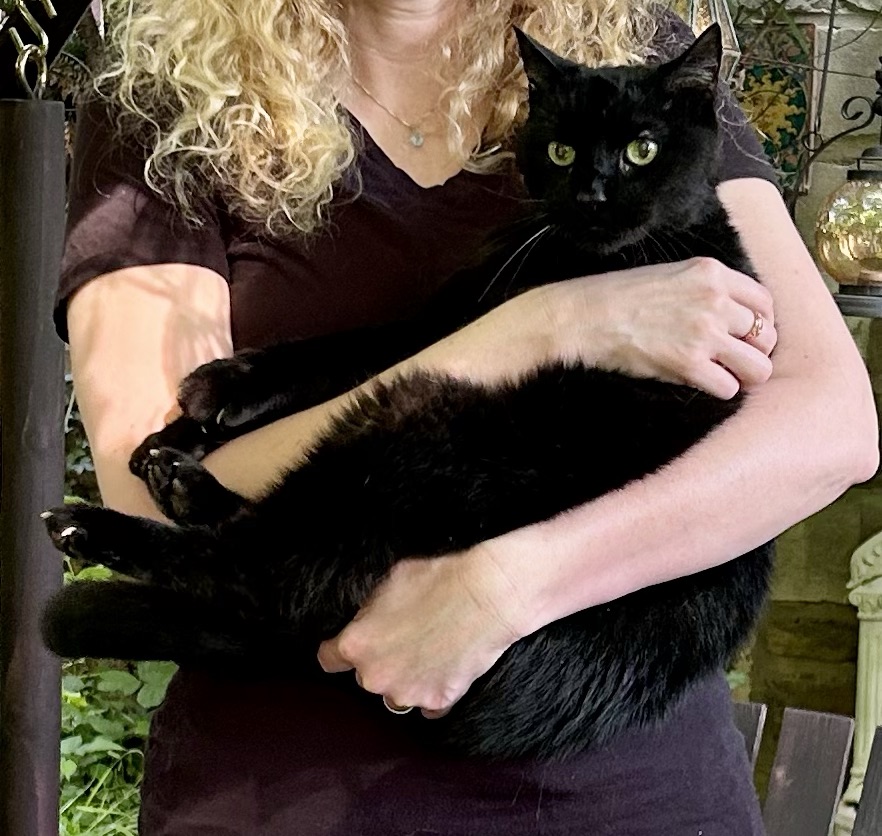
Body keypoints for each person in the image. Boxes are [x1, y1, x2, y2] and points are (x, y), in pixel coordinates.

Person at [57, 1, 878, 834]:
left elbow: (831, 424)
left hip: (626, 781)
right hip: (294, 792)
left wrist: (505, 589)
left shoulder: (643, 54)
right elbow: (152, 497)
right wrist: (542, 331)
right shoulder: (167, 94)